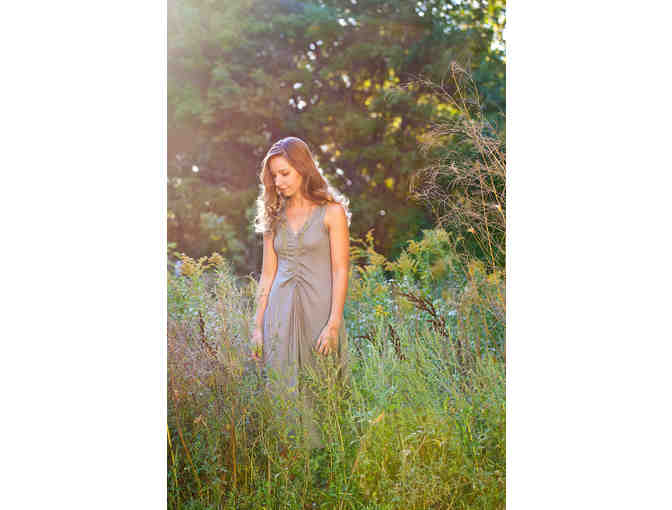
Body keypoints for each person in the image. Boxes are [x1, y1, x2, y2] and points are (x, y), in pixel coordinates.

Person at [250, 136, 352, 451]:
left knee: (323, 385)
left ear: (303, 169)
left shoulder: (332, 212)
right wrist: (257, 326)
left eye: (285, 173)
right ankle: (290, 461)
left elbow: (340, 270)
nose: (278, 182)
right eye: (274, 176)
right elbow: (268, 274)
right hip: (279, 314)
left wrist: (334, 322)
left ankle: (327, 462)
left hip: (319, 313)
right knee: (282, 388)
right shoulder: (274, 217)